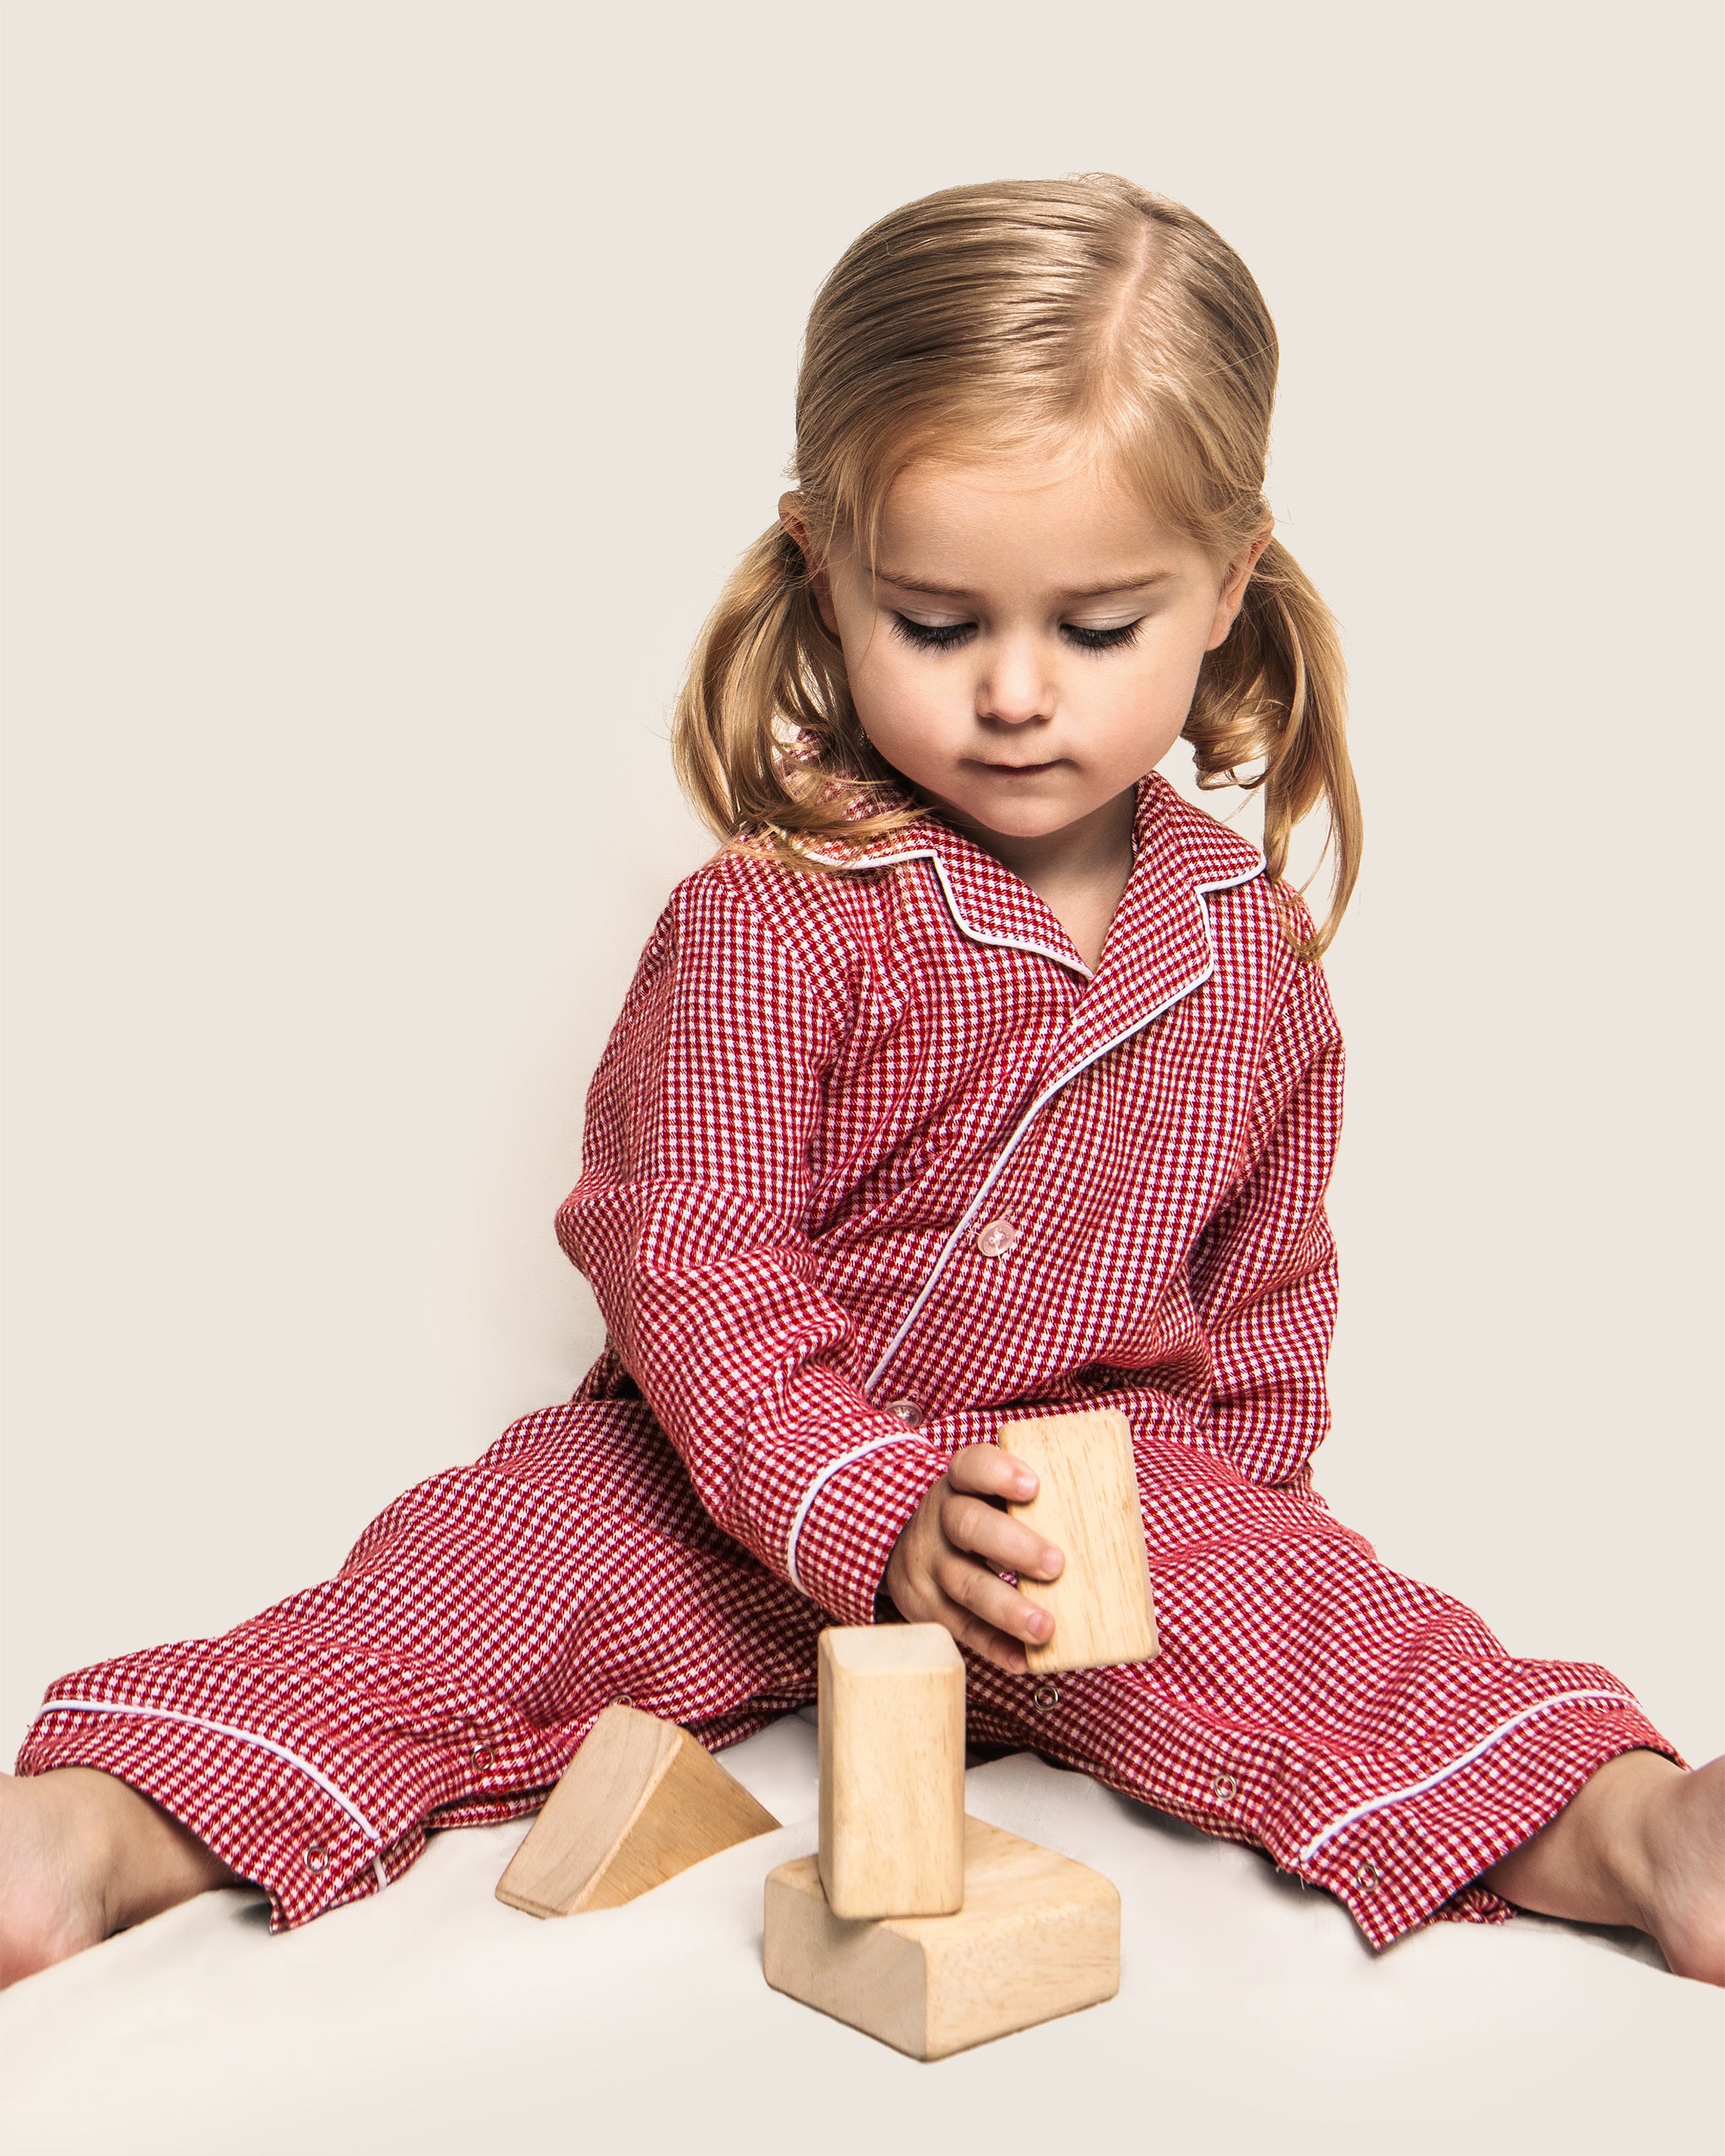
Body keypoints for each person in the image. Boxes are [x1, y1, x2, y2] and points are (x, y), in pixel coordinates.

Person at [3, 175, 1720, 1991]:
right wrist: (864, 1501)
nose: (1015, 694)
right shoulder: (782, 911)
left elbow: (1266, 1290)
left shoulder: (1246, 953)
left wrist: (1243, 1536)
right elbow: (691, 1252)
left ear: (1229, 586)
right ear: (828, 569)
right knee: (463, 1580)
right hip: (715, 1476)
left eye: (1098, 626)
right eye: (937, 622)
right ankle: (109, 1826)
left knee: (1337, 1633)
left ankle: (1628, 1828)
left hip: (1075, 1511)